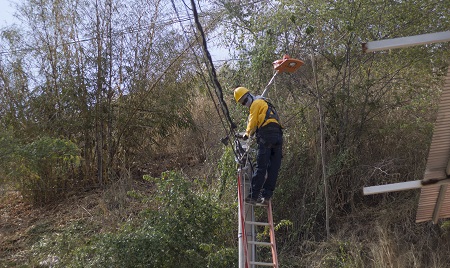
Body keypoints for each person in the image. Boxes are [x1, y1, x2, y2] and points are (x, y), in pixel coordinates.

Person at [234, 86, 283, 205]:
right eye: (243, 103)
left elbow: (252, 121)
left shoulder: (256, 103)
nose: (246, 104)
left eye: (245, 100)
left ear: (249, 95)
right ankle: (267, 196)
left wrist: (247, 134)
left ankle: (253, 196)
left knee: (261, 167)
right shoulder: (267, 103)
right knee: (273, 168)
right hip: (278, 136)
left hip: (266, 134)